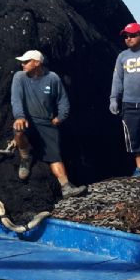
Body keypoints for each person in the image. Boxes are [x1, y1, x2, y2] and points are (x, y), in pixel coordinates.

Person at [11, 50, 86, 197]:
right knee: (18, 131)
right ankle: (25, 158)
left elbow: (62, 100)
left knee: (55, 157)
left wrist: (60, 117)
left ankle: (65, 187)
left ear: (37, 63)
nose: (22, 64)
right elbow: (16, 99)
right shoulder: (19, 77)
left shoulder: (53, 78)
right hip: (27, 120)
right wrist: (20, 116)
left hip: (46, 122)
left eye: (26, 61)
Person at [110, 23, 140, 177]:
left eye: (132, 35)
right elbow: (117, 79)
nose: (128, 38)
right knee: (134, 137)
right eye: (126, 36)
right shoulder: (122, 56)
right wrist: (114, 99)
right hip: (129, 104)